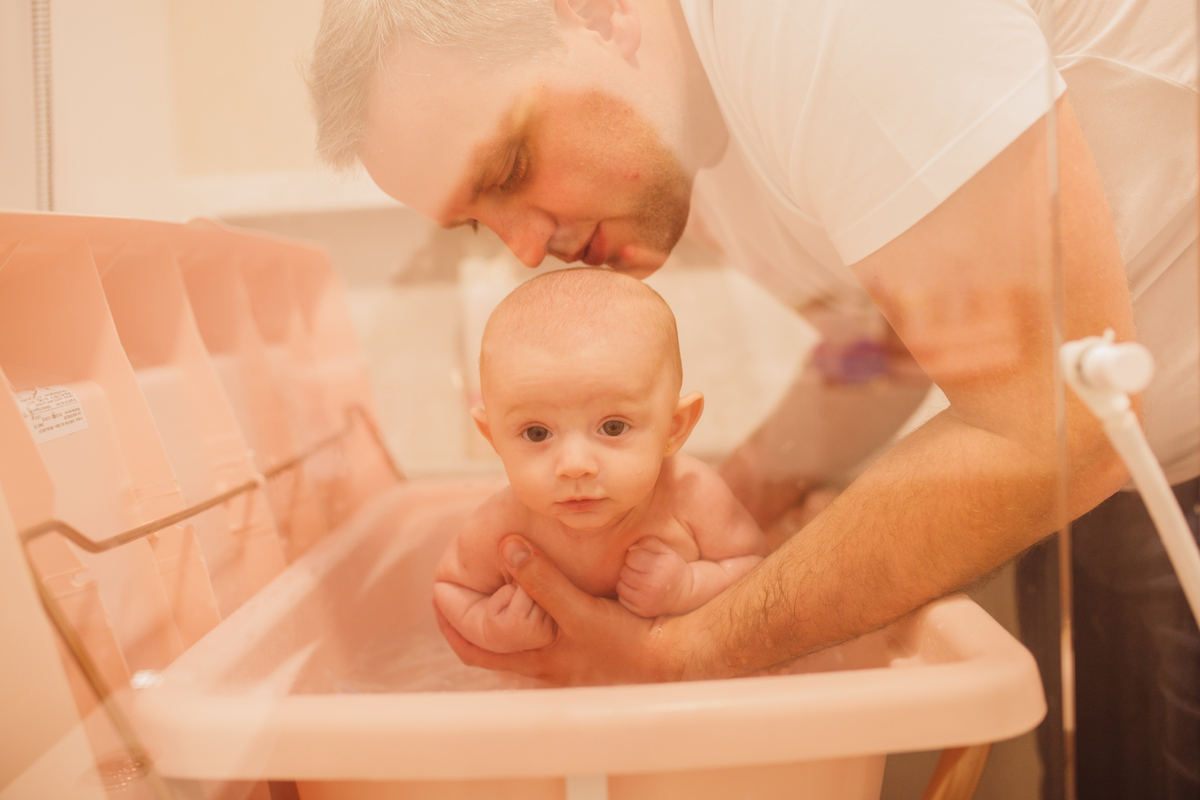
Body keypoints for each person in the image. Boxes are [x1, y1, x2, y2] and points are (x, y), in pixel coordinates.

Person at [307, 0, 1198, 795]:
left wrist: (683, 652)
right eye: (476, 220)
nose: (523, 246)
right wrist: (732, 493)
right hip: (1122, 474)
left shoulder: (830, 24)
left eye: (508, 167)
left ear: (595, 12)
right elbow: (902, 332)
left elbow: (1050, 424)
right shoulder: (675, 144)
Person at [433, 268, 768, 653]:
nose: (575, 465)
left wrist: (688, 587)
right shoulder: (504, 523)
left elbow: (758, 567)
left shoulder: (691, 494)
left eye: (612, 427)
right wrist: (492, 629)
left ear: (674, 427)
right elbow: (451, 588)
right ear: (494, 439)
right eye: (537, 433)